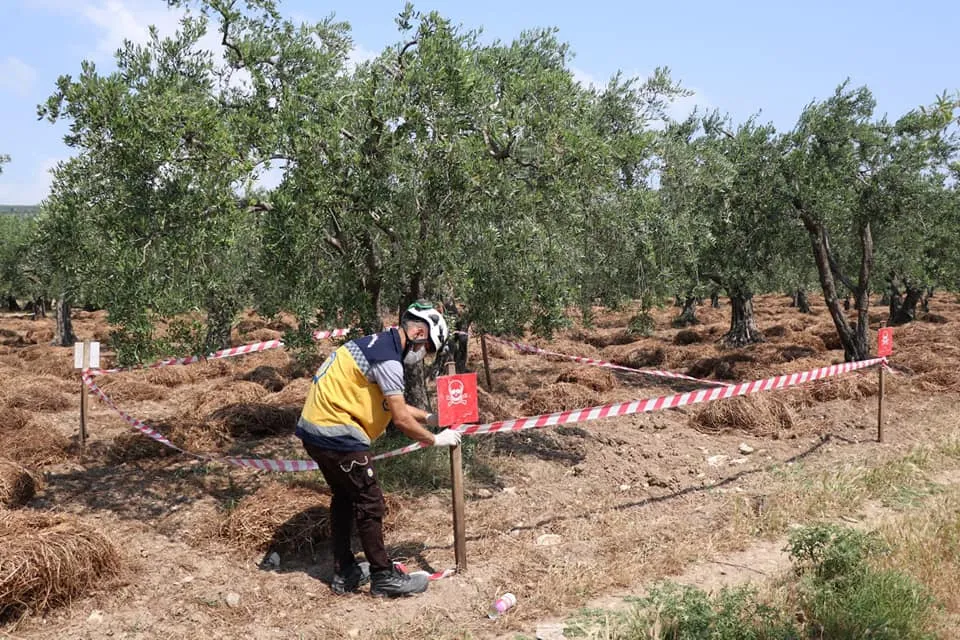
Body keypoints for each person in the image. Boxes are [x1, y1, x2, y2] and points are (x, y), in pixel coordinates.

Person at [295, 301, 462, 597]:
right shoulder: (389, 359)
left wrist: (430, 418)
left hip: (315, 431)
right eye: (428, 348)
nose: (424, 356)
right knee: (370, 501)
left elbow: (392, 401)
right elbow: (399, 418)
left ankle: (343, 570)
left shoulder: (378, 346)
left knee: (345, 498)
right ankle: (383, 576)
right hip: (339, 435)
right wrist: (436, 439)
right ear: (419, 333)